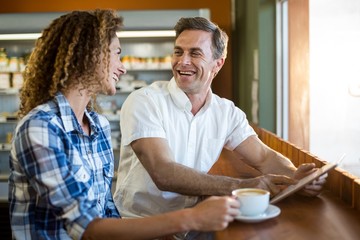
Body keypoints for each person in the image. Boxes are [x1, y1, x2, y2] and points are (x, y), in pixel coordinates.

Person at [8, 10, 240, 240]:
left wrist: (160, 232)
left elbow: (107, 211)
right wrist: (192, 218)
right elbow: (88, 229)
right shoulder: (41, 128)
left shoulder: (97, 125)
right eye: (116, 54)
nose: (122, 67)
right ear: (89, 56)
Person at [113, 16, 327, 220]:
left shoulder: (226, 113)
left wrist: (297, 179)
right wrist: (242, 186)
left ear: (218, 64)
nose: (182, 61)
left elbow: (263, 157)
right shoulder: (144, 101)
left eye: (195, 53)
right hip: (141, 225)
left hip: (195, 224)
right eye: (178, 52)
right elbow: (163, 172)